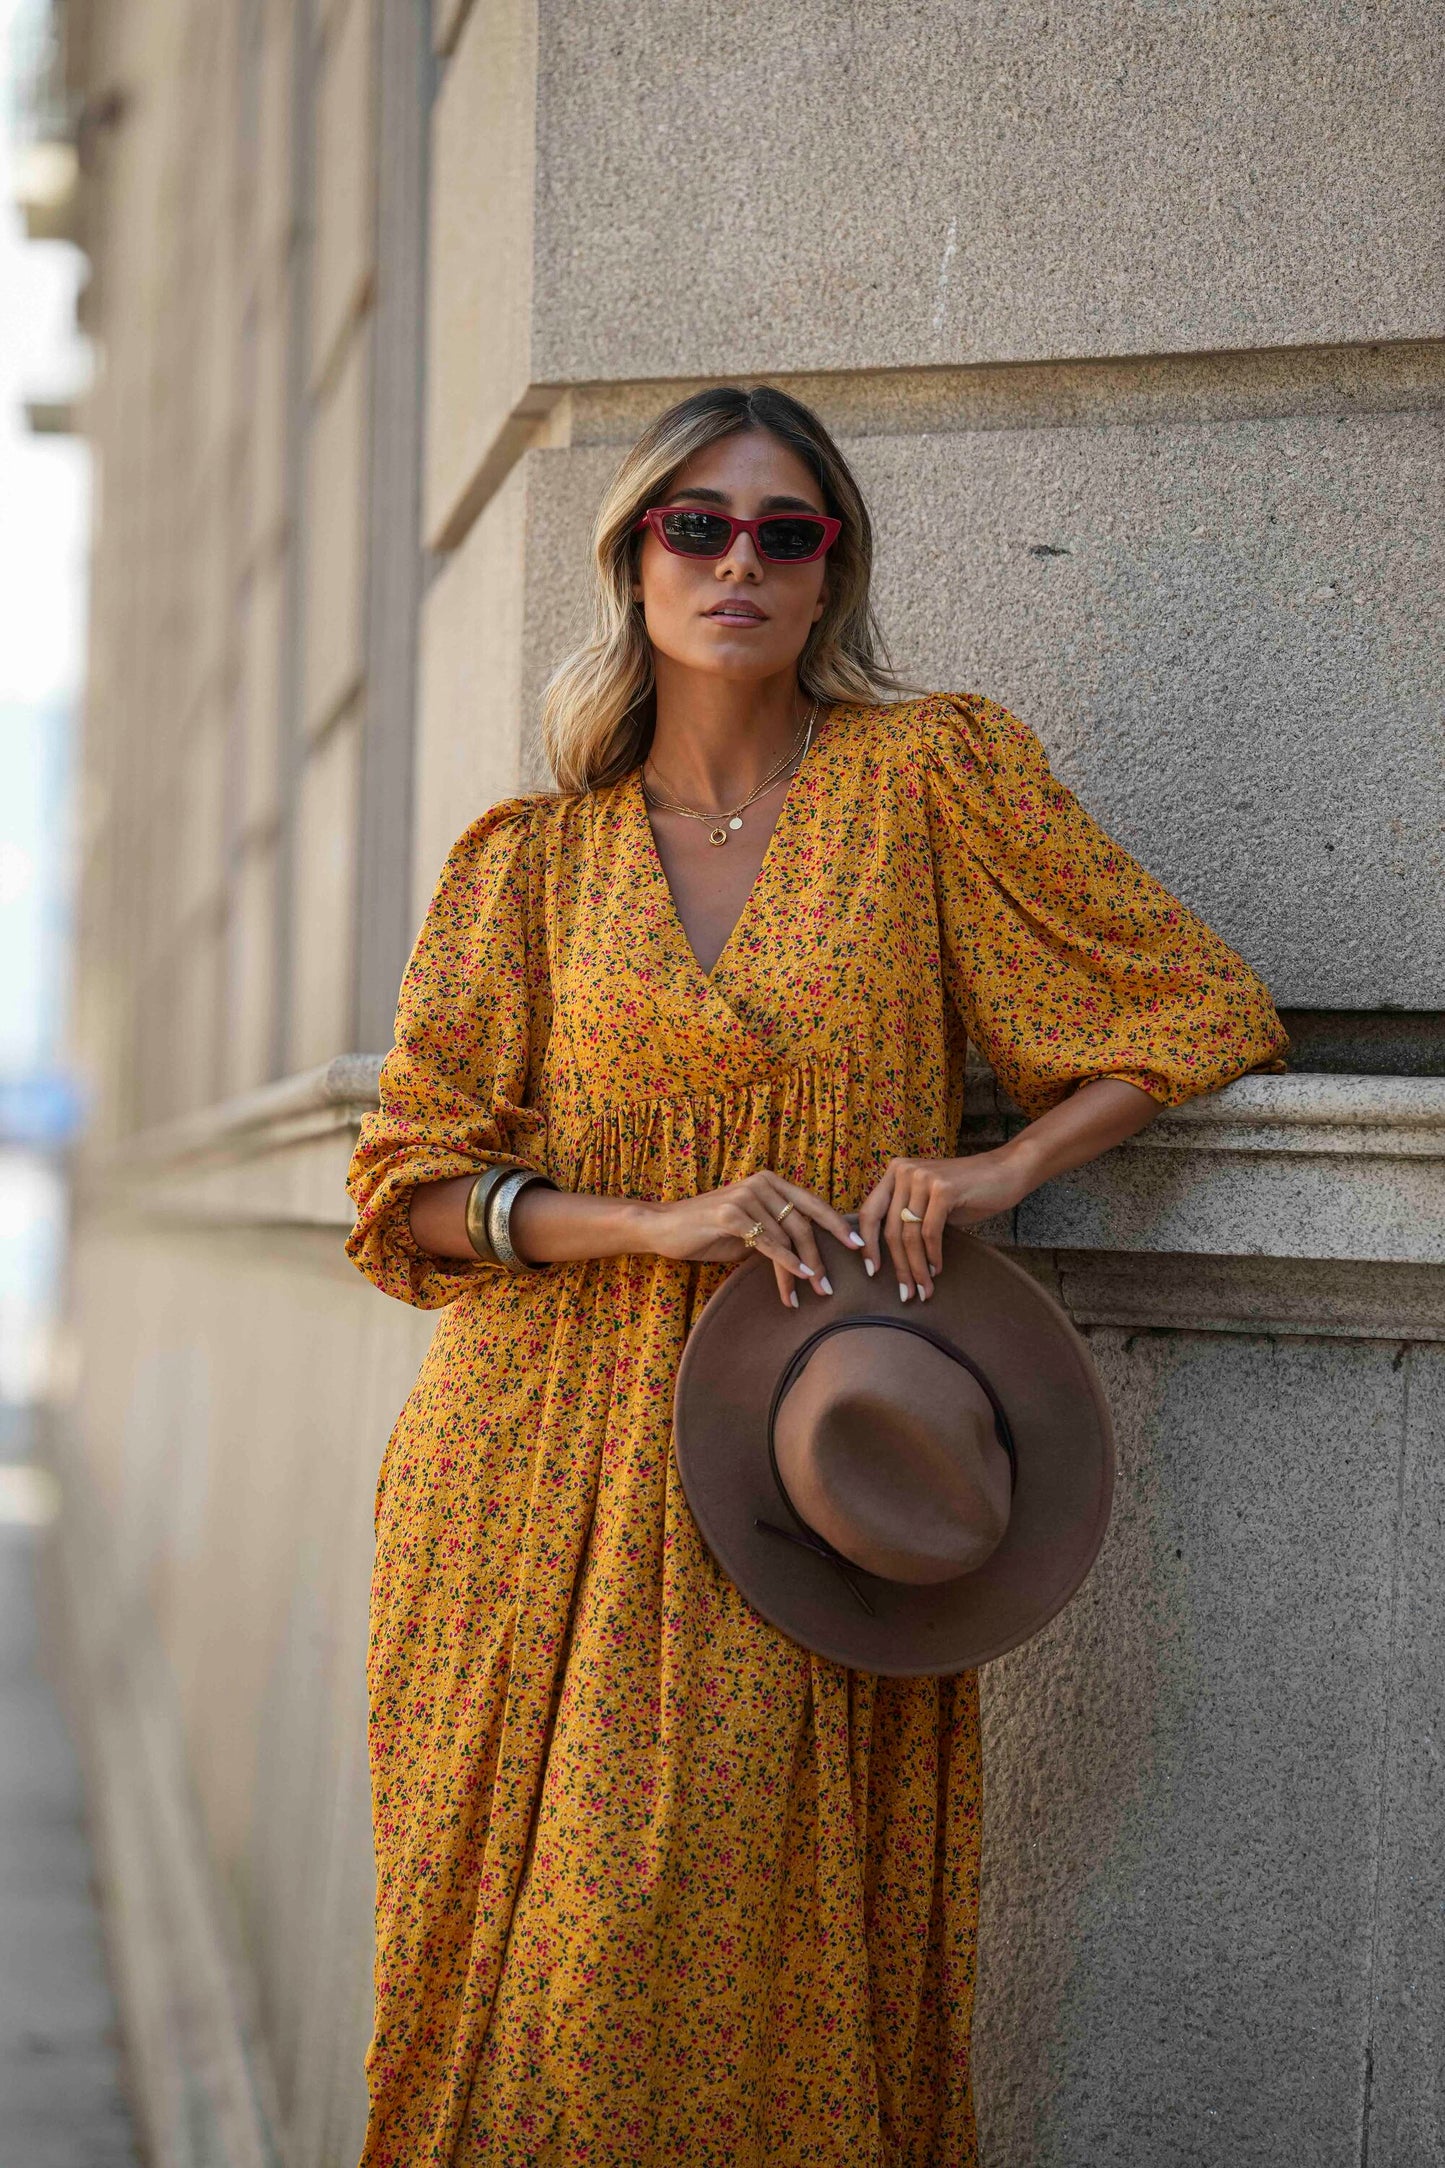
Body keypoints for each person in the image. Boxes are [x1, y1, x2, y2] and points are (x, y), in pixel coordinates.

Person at [345, 383, 1286, 2166]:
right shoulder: (525, 865)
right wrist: (653, 1222)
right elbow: (404, 1190)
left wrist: (1000, 1163)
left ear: (829, 572)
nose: (738, 563)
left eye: (788, 531)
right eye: (695, 524)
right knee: (530, 2003)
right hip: (525, 1479)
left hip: (791, 1466)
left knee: (717, 1971)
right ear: (631, 561)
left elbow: (1190, 1002)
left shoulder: (928, 779)